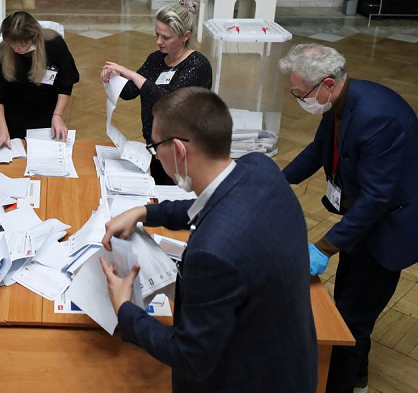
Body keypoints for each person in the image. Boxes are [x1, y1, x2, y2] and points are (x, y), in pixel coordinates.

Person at [101, 87, 317, 392]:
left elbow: (190, 356)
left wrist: (126, 308)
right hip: (290, 360)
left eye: (154, 146)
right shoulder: (260, 168)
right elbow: (211, 203)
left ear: (178, 150)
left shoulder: (213, 254)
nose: (154, 154)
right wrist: (145, 213)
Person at [279, 43, 418, 393]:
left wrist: (324, 247)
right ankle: (356, 377)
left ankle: (342, 385)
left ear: (327, 83)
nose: (298, 99)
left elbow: (376, 200)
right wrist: (276, 182)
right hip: (364, 219)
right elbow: (318, 151)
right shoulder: (339, 102)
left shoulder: (377, 116)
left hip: (393, 227)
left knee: (352, 320)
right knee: (349, 305)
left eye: (300, 93)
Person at [100, 0, 212, 184]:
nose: (158, 41)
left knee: (175, 200)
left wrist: (134, 76)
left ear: (185, 36)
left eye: (166, 37)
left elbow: (169, 103)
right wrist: (114, 77)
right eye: (157, 34)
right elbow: (130, 92)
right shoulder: (155, 59)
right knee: (159, 192)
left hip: (184, 153)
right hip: (156, 146)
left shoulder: (198, 66)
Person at [0, 11, 79, 152]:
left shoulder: (54, 46)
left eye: (20, 45)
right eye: (11, 44)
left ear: (33, 37)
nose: (16, 50)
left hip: (48, 120)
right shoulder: (1, 54)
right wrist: (2, 129)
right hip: (13, 123)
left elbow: (66, 83)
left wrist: (58, 115)